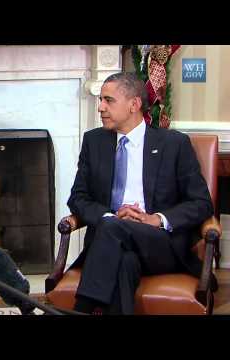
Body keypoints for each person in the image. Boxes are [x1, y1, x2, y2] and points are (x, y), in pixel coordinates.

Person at [67, 72, 214, 314]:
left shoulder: (173, 144)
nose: (100, 107)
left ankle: (81, 308)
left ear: (134, 104)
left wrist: (156, 219)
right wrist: (109, 217)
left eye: (108, 100)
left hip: (159, 244)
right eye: (100, 101)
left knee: (113, 228)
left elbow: (201, 203)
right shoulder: (94, 142)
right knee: (124, 262)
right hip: (112, 244)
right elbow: (78, 198)